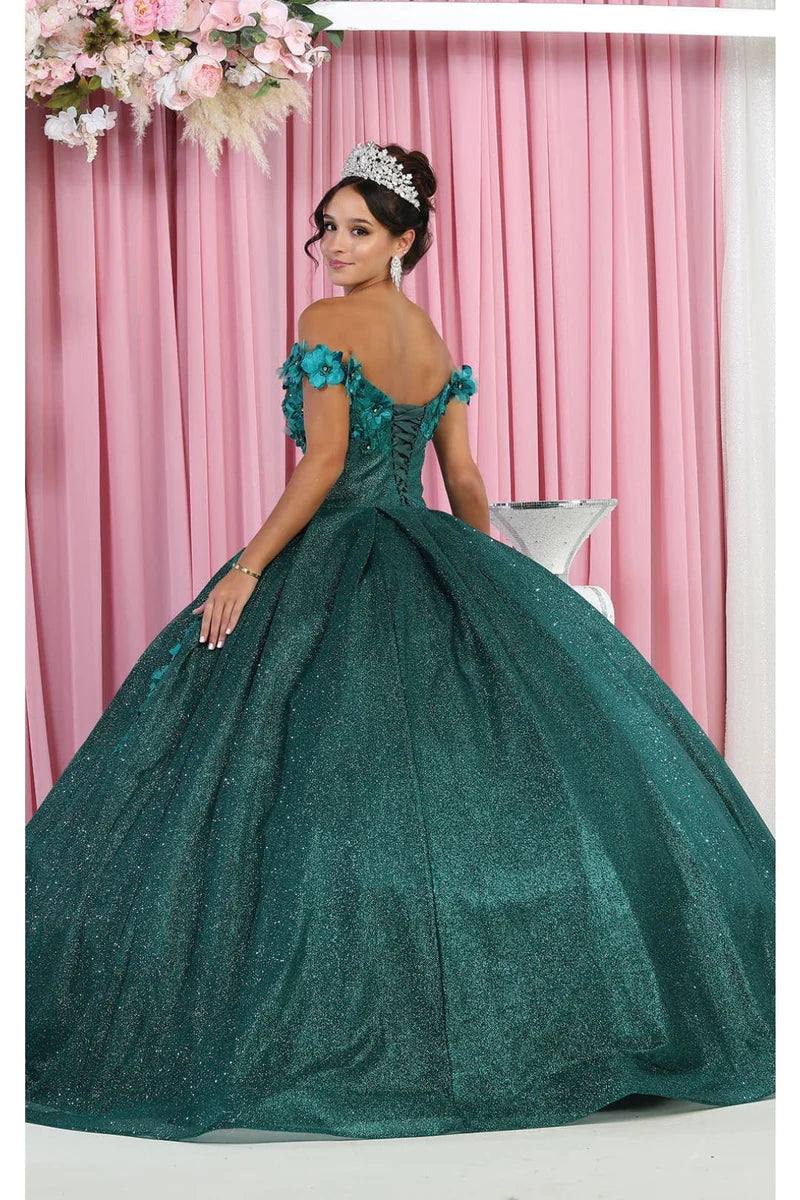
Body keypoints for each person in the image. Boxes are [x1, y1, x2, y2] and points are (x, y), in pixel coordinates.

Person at [26, 142, 775, 1143]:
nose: (334, 247)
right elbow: (463, 477)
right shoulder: (431, 338)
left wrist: (248, 569)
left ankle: (319, 1009)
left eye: (358, 230)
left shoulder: (327, 322)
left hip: (340, 548)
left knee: (304, 775)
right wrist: (490, 591)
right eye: (327, 229)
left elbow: (324, 462)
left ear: (404, 239)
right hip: (429, 545)